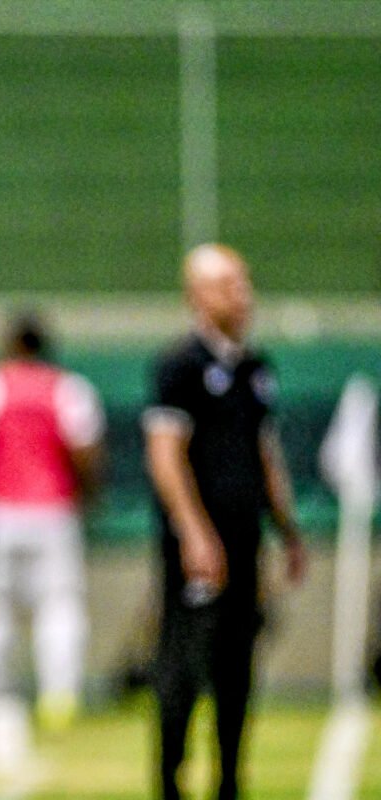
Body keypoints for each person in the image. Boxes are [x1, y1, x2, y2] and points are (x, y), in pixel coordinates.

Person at [144, 244, 307, 800]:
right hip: (196, 548)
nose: (244, 295)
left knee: (238, 665)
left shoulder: (256, 367)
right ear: (199, 295)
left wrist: (286, 529)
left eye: (245, 283)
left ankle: (230, 781)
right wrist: (194, 532)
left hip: (244, 539)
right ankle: (170, 782)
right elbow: (165, 455)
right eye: (230, 285)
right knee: (183, 665)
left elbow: (265, 452)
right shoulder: (179, 365)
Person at [0, 310, 105, 751]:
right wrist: (88, 497)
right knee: (59, 605)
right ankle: (60, 697)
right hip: (54, 511)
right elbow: (86, 454)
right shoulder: (69, 389)